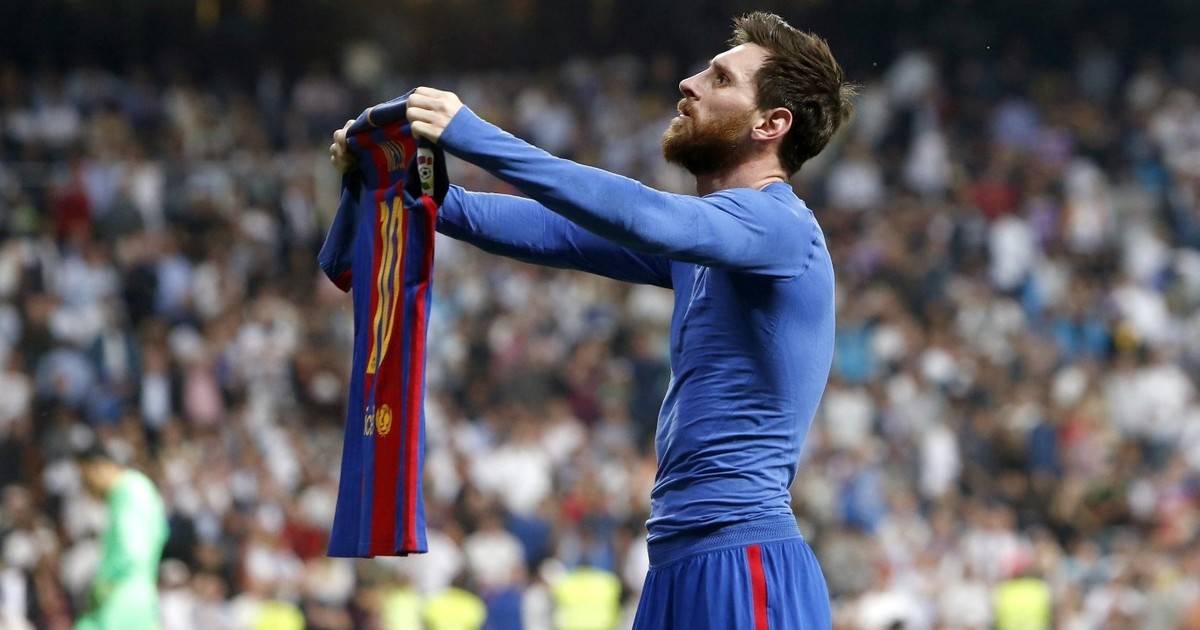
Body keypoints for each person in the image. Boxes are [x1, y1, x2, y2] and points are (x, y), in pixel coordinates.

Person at [331, 11, 853, 628]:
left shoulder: (780, 227)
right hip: (678, 560)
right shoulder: (709, 241)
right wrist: (411, 187)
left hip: (746, 562)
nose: (688, 83)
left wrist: (472, 134)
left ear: (771, 123)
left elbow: (643, 216)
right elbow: (557, 232)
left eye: (719, 79)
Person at [74, 444, 169, 630]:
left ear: (99, 467)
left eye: (85, 477)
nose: (85, 486)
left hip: (123, 596)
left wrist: (104, 582)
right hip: (141, 596)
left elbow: (131, 549)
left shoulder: (129, 491)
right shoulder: (135, 490)